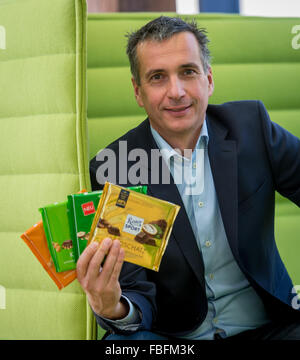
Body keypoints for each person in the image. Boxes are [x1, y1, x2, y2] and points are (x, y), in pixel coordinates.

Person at [76, 16, 300, 340]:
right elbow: (136, 291)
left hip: (270, 329)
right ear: (138, 93)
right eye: (157, 78)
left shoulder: (252, 127)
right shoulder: (117, 168)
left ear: (208, 79)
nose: (176, 92)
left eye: (188, 72)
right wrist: (112, 306)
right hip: (177, 340)